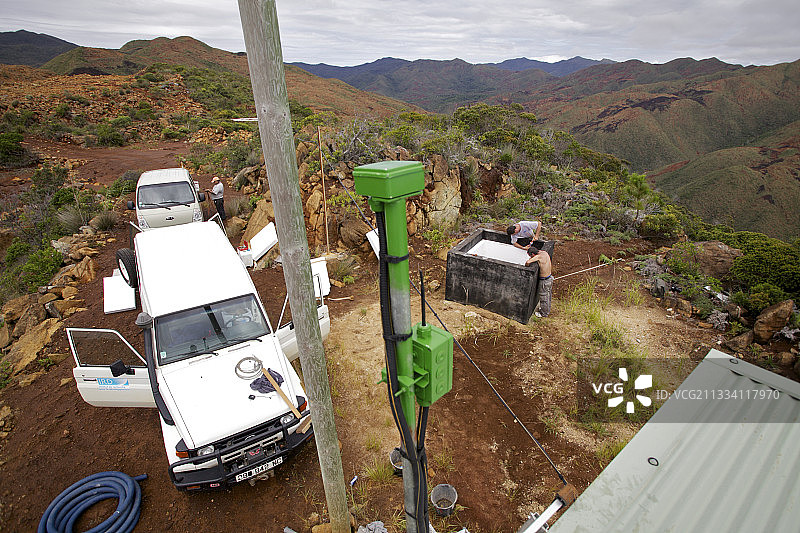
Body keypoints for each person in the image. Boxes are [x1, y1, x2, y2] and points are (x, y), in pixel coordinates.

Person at [525, 242, 553, 318]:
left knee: (543, 297)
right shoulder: (544, 253)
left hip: (544, 281)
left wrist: (527, 265)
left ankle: (544, 313)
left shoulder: (538, 257)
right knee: (548, 295)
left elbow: (527, 262)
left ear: (533, 254)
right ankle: (546, 309)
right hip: (550, 278)